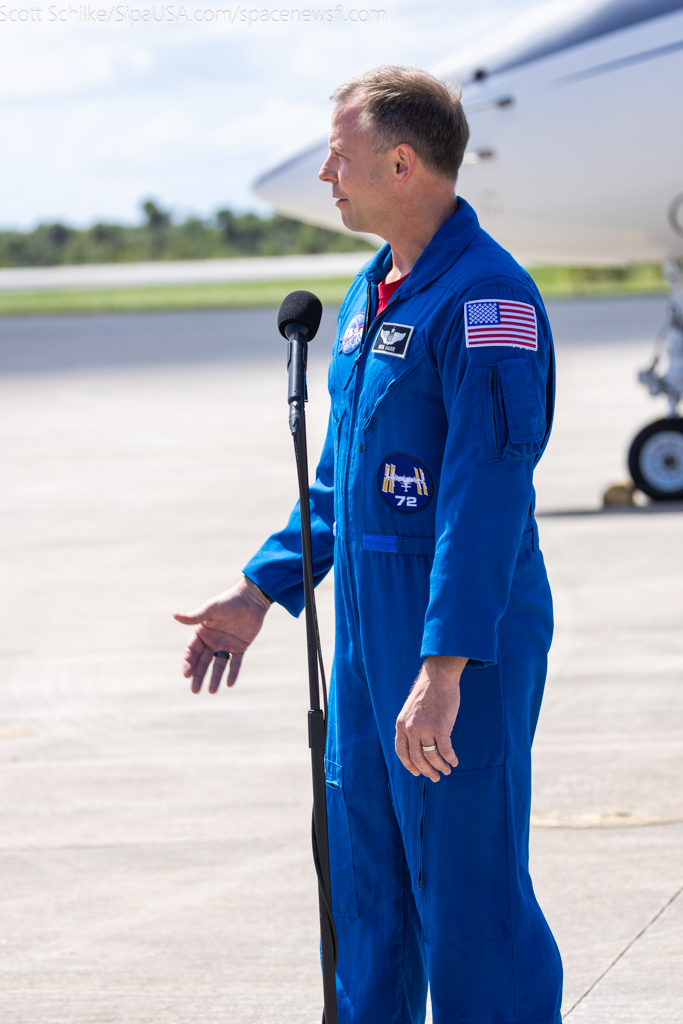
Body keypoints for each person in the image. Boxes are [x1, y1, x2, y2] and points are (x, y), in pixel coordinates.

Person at [175, 66, 563, 1024]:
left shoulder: (486, 301)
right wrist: (258, 592)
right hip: (364, 649)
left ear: (400, 161)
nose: (325, 177)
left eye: (337, 157)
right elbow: (339, 481)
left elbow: (484, 501)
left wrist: (444, 669)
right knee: (366, 887)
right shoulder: (369, 294)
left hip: (458, 640)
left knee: (468, 895)